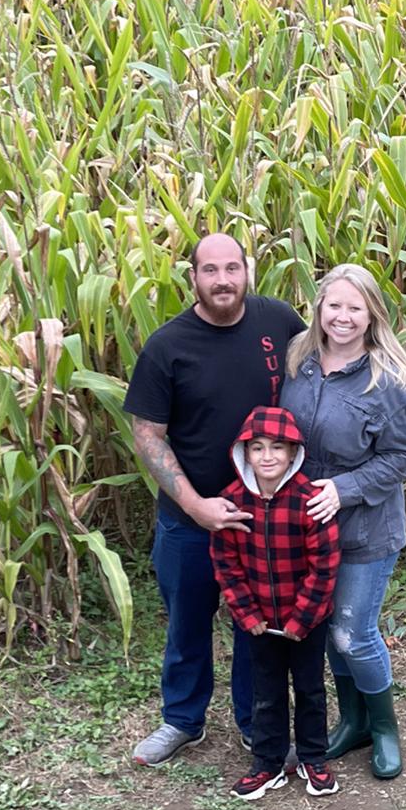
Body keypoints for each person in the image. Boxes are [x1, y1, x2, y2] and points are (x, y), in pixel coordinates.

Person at [124, 233, 307, 767]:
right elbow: (148, 436)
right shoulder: (167, 346)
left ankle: (258, 725)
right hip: (189, 520)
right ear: (193, 278)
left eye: (232, 268)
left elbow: (323, 374)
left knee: (257, 624)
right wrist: (196, 505)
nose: (222, 280)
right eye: (210, 270)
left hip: (265, 516)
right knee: (187, 620)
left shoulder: (279, 321)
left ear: (248, 271)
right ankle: (182, 720)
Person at [281, 264, 406, 782]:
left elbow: (402, 457)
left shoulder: (390, 381)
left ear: (371, 316)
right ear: (319, 308)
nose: (342, 317)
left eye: (354, 308)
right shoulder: (299, 359)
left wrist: (342, 491)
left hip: (367, 527)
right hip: (307, 525)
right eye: (333, 305)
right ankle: (354, 721)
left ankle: (385, 728)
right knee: (326, 626)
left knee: (354, 634)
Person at [211, 406, 341, 799]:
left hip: (306, 622)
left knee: (310, 689)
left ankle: (313, 757)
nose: (267, 457)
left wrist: (302, 619)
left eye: (278, 448)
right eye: (258, 448)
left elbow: (325, 567)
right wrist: (246, 614)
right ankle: (268, 764)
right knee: (265, 692)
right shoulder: (231, 502)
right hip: (259, 623)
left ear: (293, 452)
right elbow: (226, 564)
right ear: (244, 453)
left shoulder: (310, 500)